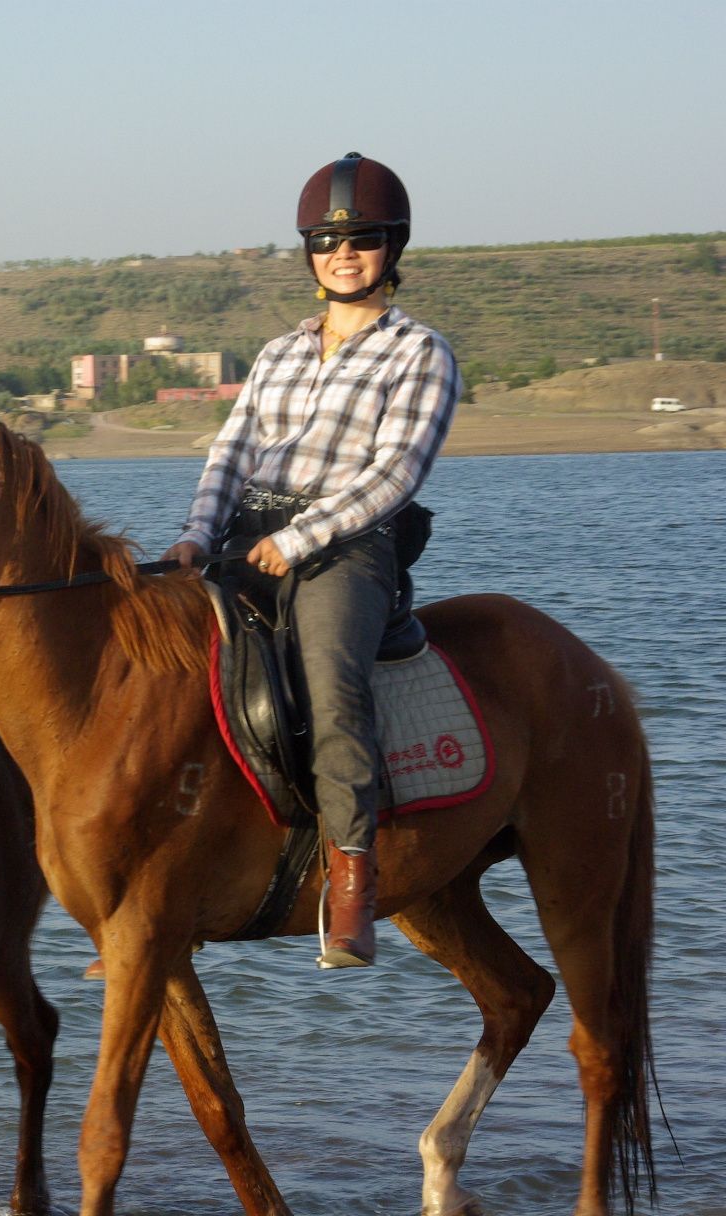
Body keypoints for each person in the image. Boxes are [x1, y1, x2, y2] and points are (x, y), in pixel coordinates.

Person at [164, 152, 461, 968]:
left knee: (331, 681)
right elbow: (231, 453)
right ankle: (159, 879)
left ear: (391, 248)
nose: (343, 254)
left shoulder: (421, 353)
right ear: (308, 254)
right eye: (327, 242)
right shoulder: (277, 354)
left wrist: (298, 540)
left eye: (361, 239)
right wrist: (196, 534)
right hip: (245, 535)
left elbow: (396, 473)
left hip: (349, 549)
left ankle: (351, 879)